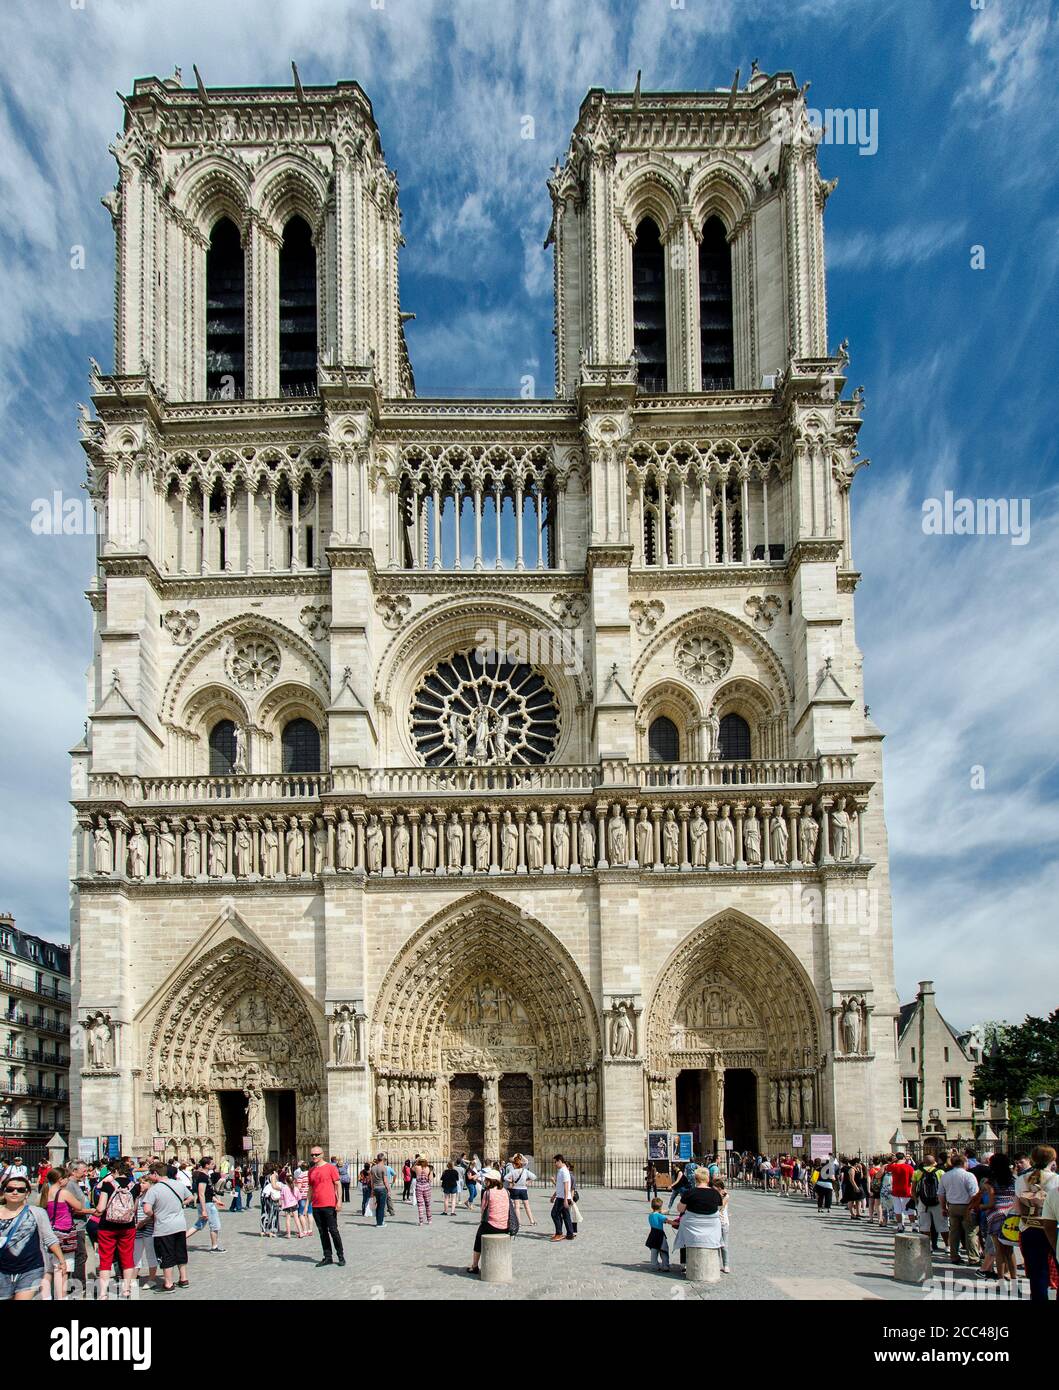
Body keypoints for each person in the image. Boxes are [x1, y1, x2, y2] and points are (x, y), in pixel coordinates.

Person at [0, 1173, 64, 1301]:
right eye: (10, 1189)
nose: (15, 1192)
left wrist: (61, 1260)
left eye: (20, 1190)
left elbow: (49, 1238)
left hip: (31, 1268)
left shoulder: (37, 1212)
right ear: (3, 1192)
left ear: (27, 1193)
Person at [1014, 1145, 1059, 1302]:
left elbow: (1018, 1205)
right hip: (1053, 1227)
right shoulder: (1056, 1180)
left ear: (1032, 1159)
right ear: (1052, 1160)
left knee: (1037, 1272)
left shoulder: (1022, 1179)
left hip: (1029, 1226)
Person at [142, 1162, 191, 1292]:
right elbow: (191, 1197)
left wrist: (154, 1215)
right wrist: (181, 1204)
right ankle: (183, 1279)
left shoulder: (154, 1189)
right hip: (180, 1225)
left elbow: (146, 1209)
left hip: (164, 1227)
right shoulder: (178, 1184)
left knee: (166, 1254)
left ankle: (168, 1284)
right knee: (180, 1251)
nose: (149, 1176)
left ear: (155, 1174)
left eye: (150, 1174)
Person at [95, 1157, 137, 1299]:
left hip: (107, 1226)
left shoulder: (108, 1185)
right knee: (127, 1257)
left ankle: (103, 1293)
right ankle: (126, 1290)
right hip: (128, 1226)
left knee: (105, 1259)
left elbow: (100, 1208)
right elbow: (134, 1209)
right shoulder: (134, 1186)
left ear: (115, 1171)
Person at [668, 1168, 723, 1270]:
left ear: (696, 1179)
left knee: (683, 1225)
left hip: (692, 1229)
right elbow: (719, 1208)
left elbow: (680, 1208)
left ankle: (683, 1262)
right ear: (708, 1179)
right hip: (711, 1230)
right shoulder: (715, 1194)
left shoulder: (690, 1193)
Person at [40, 1169, 77, 1300]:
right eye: (67, 1178)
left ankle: (47, 1297)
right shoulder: (63, 1193)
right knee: (63, 1268)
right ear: (60, 1179)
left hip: (50, 1232)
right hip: (64, 1233)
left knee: (49, 1269)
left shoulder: (45, 1192)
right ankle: (61, 1297)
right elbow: (79, 1205)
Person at [306, 1145, 345, 1267]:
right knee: (322, 1232)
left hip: (329, 1204)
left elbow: (338, 1184)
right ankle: (327, 1256)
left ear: (322, 1154)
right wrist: (307, 1204)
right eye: (312, 1155)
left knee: (333, 1230)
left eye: (316, 1154)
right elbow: (311, 1188)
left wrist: (339, 1202)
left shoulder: (330, 1168)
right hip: (316, 1205)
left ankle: (340, 1256)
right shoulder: (311, 1170)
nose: (314, 1156)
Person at [939, 1153, 981, 1265]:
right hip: (967, 1205)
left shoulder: (945, 1176)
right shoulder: (968, 1176)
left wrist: (943, 1207)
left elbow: (941, 1194)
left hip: (952, 1205)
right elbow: (974, 1194)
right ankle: (973, 1257)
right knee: (971, 1232)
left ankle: (954, 1256)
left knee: (954, 1232)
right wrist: (974, 1207)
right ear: (964, 1163)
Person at [467, 1168, 511, 1275]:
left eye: (487, 1179)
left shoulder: (488, 1192)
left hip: (492, 1226)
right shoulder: (506, 1191)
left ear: (492, 1180)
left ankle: (474, 1266)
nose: (485, 1180)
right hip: (505, 1226)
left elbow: (483, 1210)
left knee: (478, 1237)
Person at [913, 1154, 946, 1252]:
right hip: (938, 1201)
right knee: (942, 1224)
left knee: (925, 1225)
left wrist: (916, 1201)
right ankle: (947, 1246)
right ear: (934, 1162)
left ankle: (928, 1245)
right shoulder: (940, 1172)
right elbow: (944, 1188)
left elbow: (913, 1189)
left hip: (923, 1202)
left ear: (924, 1162)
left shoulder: (917, 1172)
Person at [884, 1152, 915, 1230]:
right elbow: (913, 1179)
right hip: (907, 1191)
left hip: (896, 1191)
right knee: (910, 1210)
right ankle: (914, 1227)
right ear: (904, 1158)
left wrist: (893, 1161)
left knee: (898, 1210)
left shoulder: (894, 1166)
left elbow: (887, 1168)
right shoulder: (909, 1167)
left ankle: (900, 1227)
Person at [505, 1153, 536, 1227]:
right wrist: (528, 1182)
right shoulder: (525, 1171)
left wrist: (511, 1181)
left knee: (517, 1206)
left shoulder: (513, 1171)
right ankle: (532, 1221)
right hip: (523, 1189)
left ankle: (519, 1222)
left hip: (515, 1189)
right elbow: (534, 1177)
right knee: (527, 1206)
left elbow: (505, 1178)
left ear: (514, 1165)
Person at [550, 1154, 573, 1241]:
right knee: (566, 1216)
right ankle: (570, 1234)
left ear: (560, 1161)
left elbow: (566, 1185)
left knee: (554, 1214)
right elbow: (560, 1186)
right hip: (561, 1196)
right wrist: (553, 1196)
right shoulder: (561, 1171)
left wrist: (565, 1200)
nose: (555, 1164)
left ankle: (559, 1233)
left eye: (555, 1162)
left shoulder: (564, 1171)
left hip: (563, 1198)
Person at [712, 1175, 732, 1273]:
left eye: (715, 1189)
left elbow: (720, 1207)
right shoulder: (715, 1195)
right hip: (715, 1222)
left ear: (719, 1188)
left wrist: (720, 1195)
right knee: (715, 1244)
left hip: (723, 1222)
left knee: (724, 1245)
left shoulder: (726, 1196)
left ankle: (726, 1265)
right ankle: (717, 1264)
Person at [645, 1197, 670, 1271]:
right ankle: (665, 1266)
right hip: (660, 1235)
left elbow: (656, 1215)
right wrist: (675, 1222)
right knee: (664, 1250)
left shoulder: (650, 1215)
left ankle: (654, 1265)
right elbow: (667, 1221)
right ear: (660, 1207)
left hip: (652, 1234)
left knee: (654, 1250)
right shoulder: (660, 1216)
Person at [370, 1152, 391, 1227]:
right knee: (381, 1206)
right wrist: (388, 1189)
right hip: (382, 1188)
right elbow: (385, 1180)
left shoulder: (373, 1168)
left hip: (375, 1188)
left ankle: (378, 1221)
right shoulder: (383, 1168)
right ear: (382, 1159)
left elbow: (371, 1181)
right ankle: (380, 1223)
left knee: (378, 1205)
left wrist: (372, 1190)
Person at [259, 1167, 281, 1238]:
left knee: (264, 1212)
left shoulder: (264, 1176)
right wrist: (282, 1188)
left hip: (264, 1196)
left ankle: (263, 1230)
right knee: (273, 1213)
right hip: (271, 1196)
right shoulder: (273, 1176)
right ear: (274, 1171)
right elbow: (274, 1186)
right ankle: (272, 1231)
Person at [413, 1156, 434, 1226]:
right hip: (426, 1187)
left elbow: (412, 1168)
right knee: (427, 1204)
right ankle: (429, 1220)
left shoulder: (416, 1167)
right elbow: (431, 1179)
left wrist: (417, 1160)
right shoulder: (429, 1168)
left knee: (420, 1205)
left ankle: (421, 1221)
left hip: (419, 1187)